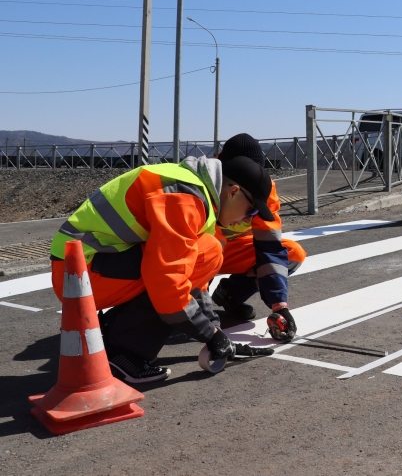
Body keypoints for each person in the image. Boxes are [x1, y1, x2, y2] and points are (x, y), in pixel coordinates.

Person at [49, 154, 275, 383]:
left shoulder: (197, 192)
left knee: (207, 252)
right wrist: (210, 334)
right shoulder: (185, 196)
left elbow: (196, 284)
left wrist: (216, 334)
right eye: (252, 211)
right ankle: (123, 352)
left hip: (88, 268)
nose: (246, 221)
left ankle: (111, 337)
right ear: (233, 191)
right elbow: (168, 282)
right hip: (80, 275)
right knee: (201, 257)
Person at [210, 134, 305, 344]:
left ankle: (230, 294)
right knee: (206, 248)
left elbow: (269, 246)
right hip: (199, 254)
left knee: (292, 253)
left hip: (227, 253)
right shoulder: (206, 183)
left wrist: (279, 305)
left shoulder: (263, 188)